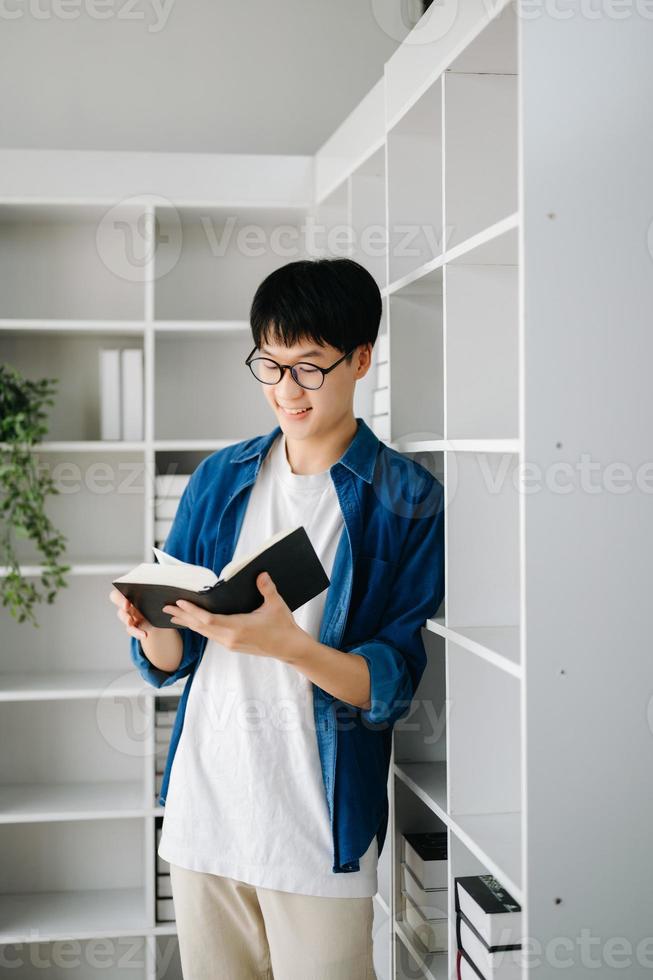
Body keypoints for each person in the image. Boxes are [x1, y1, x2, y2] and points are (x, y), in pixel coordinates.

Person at [110, 257, 445, 979]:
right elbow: (174, 664)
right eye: (269, 364)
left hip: (318, 829)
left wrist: (289, 647)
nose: (285, 390)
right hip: (206, 814)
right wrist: (153, 625)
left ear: (361, 360)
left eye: (309, 368)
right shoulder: (220, 477)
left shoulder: (403, 497)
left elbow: (390, 685)